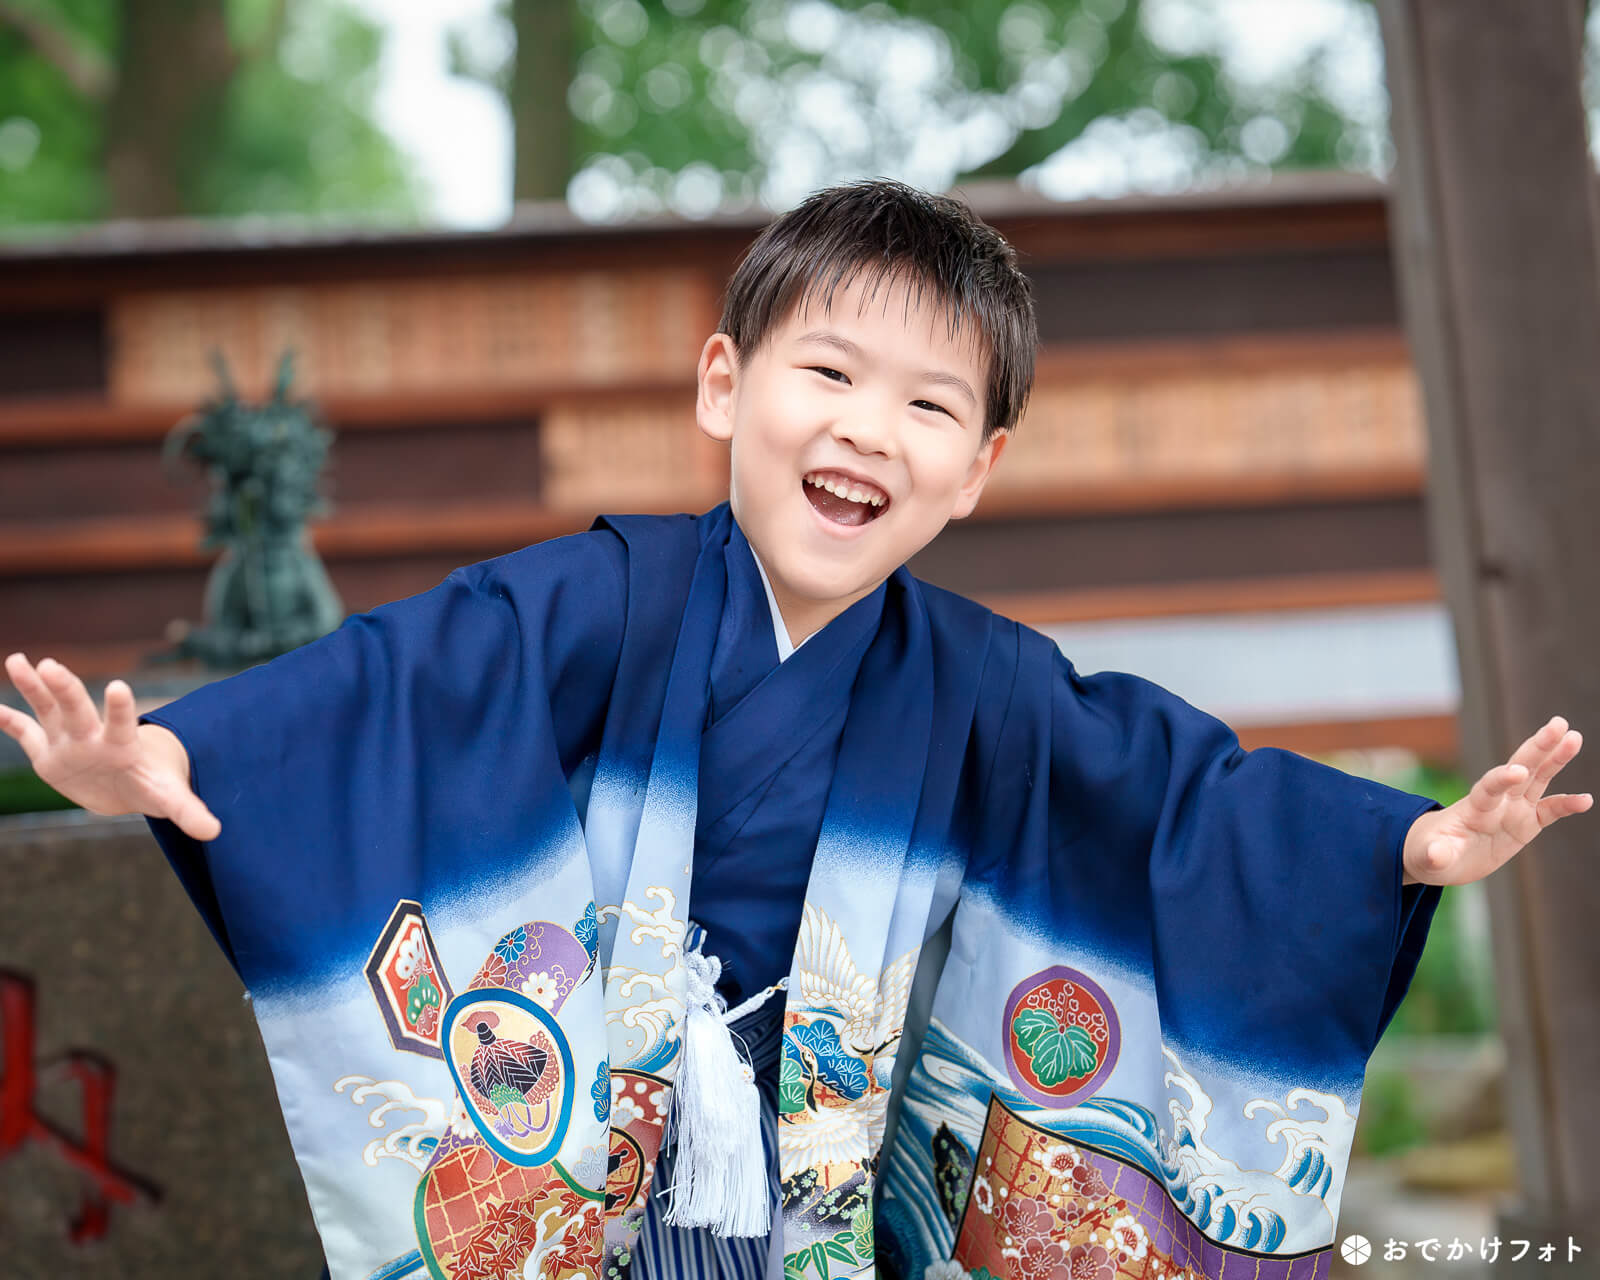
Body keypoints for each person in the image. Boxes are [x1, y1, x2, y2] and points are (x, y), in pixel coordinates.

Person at [0, 179, 1589, 1280]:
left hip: (837, 1191)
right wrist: (171, 759)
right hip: (596, 1180)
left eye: (927, 405)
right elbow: (397, 692)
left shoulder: (986, 681)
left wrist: (1402, 841)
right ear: (723, 386)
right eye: (827, 369)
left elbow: (1170, 801)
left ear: (978, 467)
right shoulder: (593, 604)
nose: (866, 428)